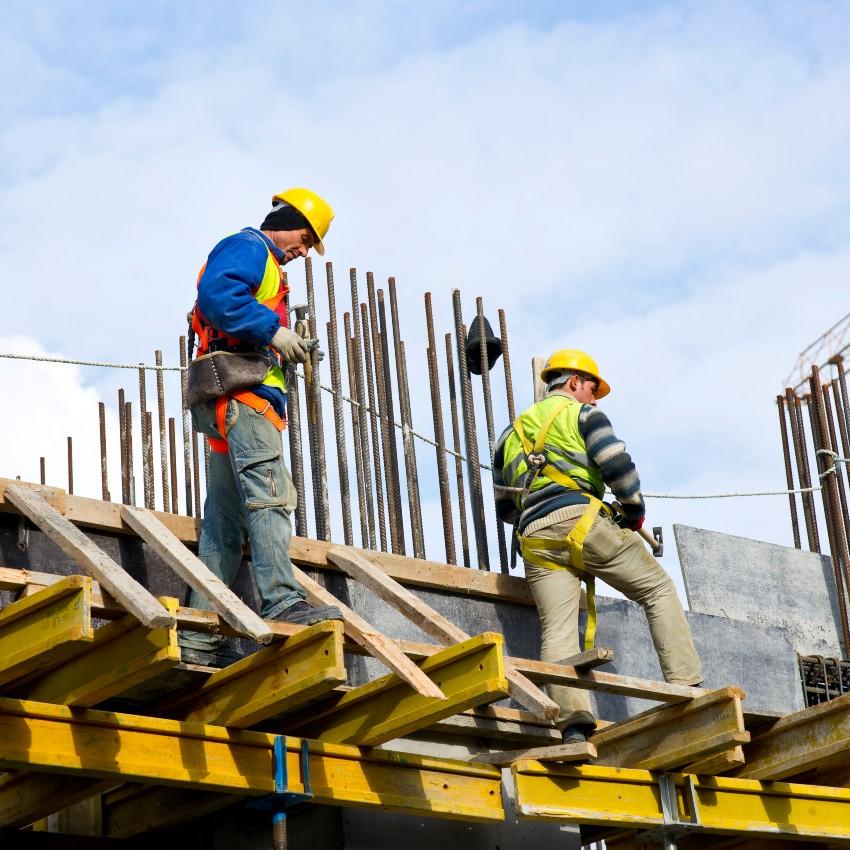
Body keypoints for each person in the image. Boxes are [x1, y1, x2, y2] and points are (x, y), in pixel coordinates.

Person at [494, 349, 702, 742]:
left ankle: (573, 724)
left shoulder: (509, 435)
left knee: (556, 630)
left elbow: (505, 507)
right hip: (584, 522)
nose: (594, 398)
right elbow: (617, 465)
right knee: (657, 589)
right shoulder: (583, 415)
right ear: (573, 383)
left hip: (535, 538)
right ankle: (687, 688)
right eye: (592, 389)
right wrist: (634, 511)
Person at [179, 187, 342, 667]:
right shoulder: (251, 247)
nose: (304, 250)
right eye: (306, 237)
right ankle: (283, 600)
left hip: (230, 402)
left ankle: (199, 635)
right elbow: (217, 296)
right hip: (244, 400)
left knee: (224, 527)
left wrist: (279, 338)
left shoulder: (266, 265)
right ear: (287, 220)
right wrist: (274, 332)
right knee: (271, 497)